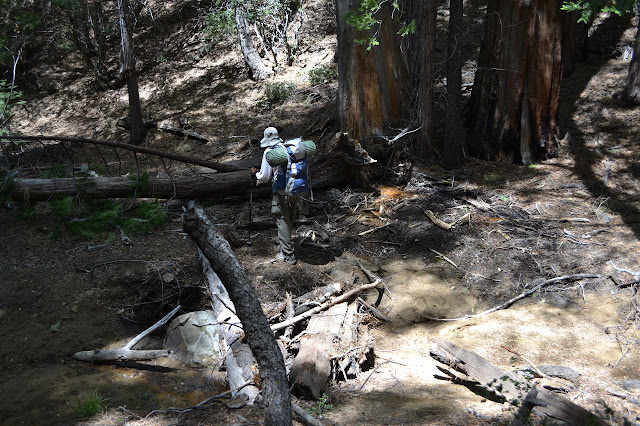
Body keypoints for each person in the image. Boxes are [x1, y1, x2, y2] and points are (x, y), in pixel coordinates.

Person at [250, 127, 306, 265]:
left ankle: (287, 255)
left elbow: (264, 176)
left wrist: (254, 174)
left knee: (281, 219)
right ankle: (284, 246)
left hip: (281, 191)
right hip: (295, 188)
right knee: (290, 217)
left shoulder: (269, 152)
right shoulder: (287, 147)